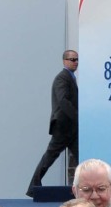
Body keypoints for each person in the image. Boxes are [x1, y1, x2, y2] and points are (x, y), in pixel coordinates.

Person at [27, 50, 79, 196]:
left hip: (70, 127)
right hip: (63, 126)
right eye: (72, 59)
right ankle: (33, 187)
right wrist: (77, 116)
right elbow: (63, 101)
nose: (75, 62)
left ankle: (84, 186)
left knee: (80, 156)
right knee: (50, 156)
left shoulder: (70, 77)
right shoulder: (62, 78)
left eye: (77, 60)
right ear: (64, 61)